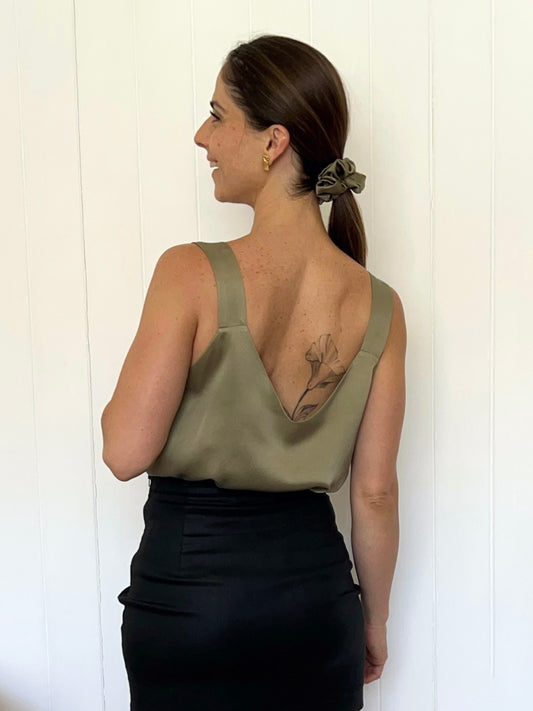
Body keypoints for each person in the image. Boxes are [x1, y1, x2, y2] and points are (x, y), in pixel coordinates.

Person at [101, 34, 406, 711]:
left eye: (217, 115)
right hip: (317, 607)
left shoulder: (189, 273)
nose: (201, 136)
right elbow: (375, 493)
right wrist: (374, 621)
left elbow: (124, 452)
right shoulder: (381, 307)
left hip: (191, 605)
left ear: (273, 141)